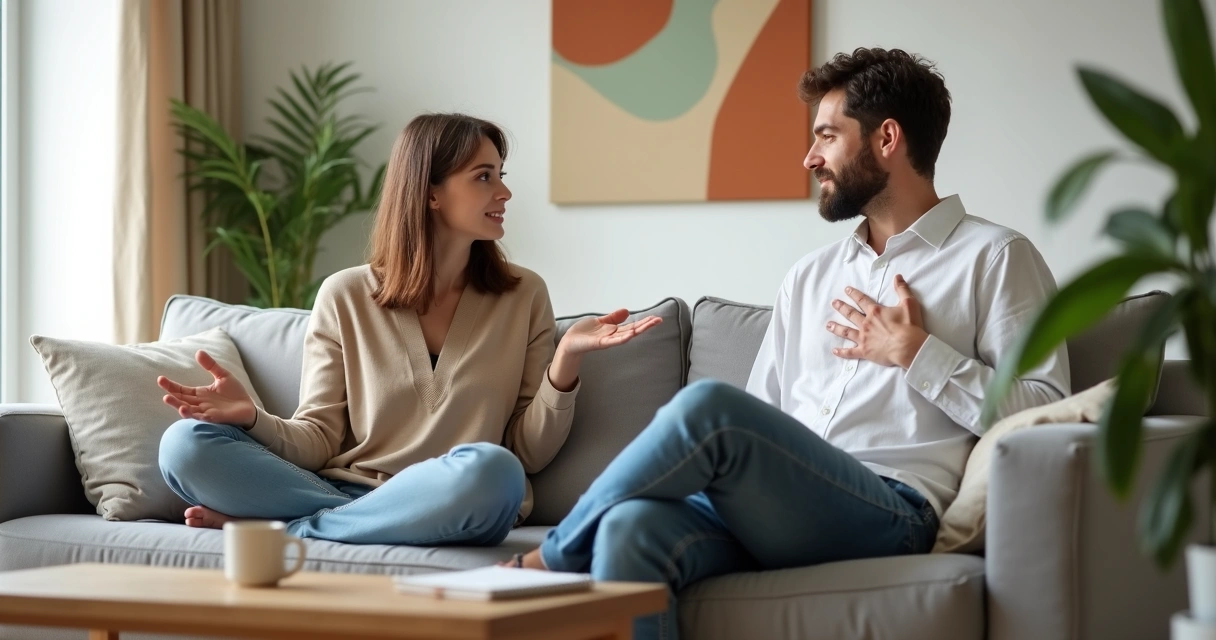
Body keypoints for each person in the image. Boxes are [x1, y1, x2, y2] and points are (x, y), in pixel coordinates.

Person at [510, 47, 1071, 639]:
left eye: (827, 137)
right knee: (630, 530)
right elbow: (763, 417)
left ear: (887, 138)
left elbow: (1043, 412)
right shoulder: (809, 276)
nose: (809, 158)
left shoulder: (995, 257)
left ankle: (545, 561)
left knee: (708, 408)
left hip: (891, 510)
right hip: (776, 508)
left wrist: (916, 354)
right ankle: (573, 550)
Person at [156, 113, 661, 546]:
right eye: (484, 176)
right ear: (431, 192)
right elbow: (318, 439)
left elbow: (526, 453)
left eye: (500, 175)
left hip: (455, 493)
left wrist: (565, 361)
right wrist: (252, 419)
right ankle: (342, 523)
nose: (504, 192)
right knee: (183, 445)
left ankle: (288, 532)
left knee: (496, 472)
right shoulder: (344, 295)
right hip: (346, 491)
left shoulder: (524, 294)